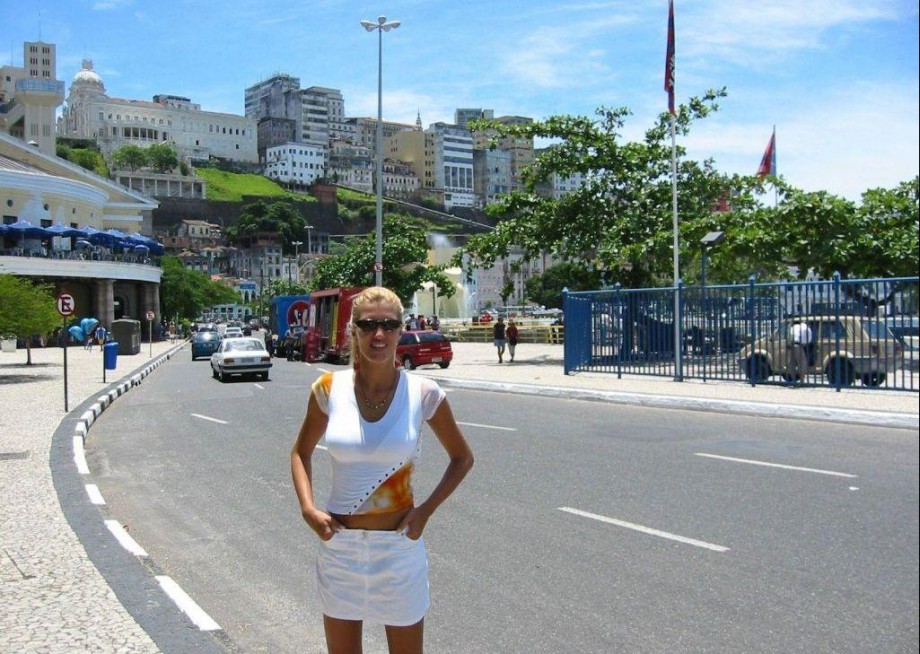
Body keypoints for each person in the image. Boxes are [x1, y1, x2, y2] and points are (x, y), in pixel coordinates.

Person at [290, 286, 473, 654]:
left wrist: (424, 513)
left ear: (401, 329)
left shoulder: (423, 393)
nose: (379, 335)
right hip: (340, 548)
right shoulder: (328, 389)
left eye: (389, 325)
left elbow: (462, 458)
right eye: (368, 324)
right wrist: (308, 510)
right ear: (352, 330)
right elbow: (300, 452)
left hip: (399, 549)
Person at [786, 318, 812, 385]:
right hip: (800, 346)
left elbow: (790, 337)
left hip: (793, 345)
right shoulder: (804, 326)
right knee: (802, 363)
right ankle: (802, 381)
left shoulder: (793, 327)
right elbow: (809, 337)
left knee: (792, 364)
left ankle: (794, 380)